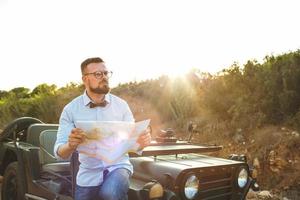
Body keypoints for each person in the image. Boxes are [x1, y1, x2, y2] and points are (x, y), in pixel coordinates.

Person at [54, 57, 151, 200]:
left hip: (119, 167)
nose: (104, 77)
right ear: (85, 79)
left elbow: (134, 142)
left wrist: (142, 141)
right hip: (88, 174)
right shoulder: (70, 110)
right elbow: (59, 152)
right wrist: (70, 145)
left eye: (106, 73)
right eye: (98, 74)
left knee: (111, 193)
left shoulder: (122, 106)